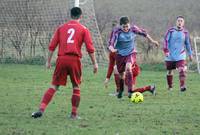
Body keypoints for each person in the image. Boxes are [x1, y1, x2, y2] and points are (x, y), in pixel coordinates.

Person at [32, 7, 98, 119]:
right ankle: (73, 114)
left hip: (61, 59)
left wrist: (48, 61)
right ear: (80, 16)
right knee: (76, 86)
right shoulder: (84, 29)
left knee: (54, 85)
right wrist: (95, 63)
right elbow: (90, 48)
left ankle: (41, 109)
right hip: (74, 60)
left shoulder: (61, 28)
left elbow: (52, 46)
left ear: (70, 15)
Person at [108, 16, 159, 98]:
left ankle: (130, 90)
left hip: (131, 53)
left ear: (129, 25)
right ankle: (121, 91)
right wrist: (112, 49)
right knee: (121, 74)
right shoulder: (116, 32)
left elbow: (144, 34)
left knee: (128, 67)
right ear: (120, 26)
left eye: (127, 26)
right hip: (120, 55)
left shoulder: (133, 29)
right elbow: (111, 43)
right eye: (123, 27)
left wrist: (153, 41)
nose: (125, 28)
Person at [163, 15, 193, 91]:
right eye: (178, 21)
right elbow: (165, 41)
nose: (180, 22)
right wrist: (166, 50)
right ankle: (170, 86)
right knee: (170, 71)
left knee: (181, 69)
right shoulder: (170, 31)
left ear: (183, 23)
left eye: (181, 21)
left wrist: (190, 54)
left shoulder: (185, 32)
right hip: (170, 55)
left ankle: (182, 86)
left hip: (180, 55)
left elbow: (187, 44)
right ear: (176, 22)